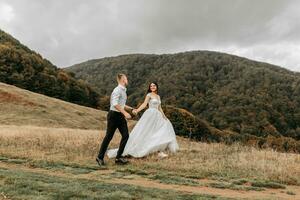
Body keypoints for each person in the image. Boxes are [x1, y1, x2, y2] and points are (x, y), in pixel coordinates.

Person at [107, 82, 179, 158]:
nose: (152, 87)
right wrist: (137, 110)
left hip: (158, 115)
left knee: (159, 131)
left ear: (157, 87)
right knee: (147, 131)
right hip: (150, 114)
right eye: (151, 86)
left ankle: (158, 150)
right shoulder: (149, 95)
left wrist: (164, 116)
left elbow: (159, 107)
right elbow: (144, 104)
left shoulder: (158, 96)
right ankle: (144, 149)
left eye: (154, 85)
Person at [96, 73, 133, 165]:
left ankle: (118, 158)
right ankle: (99, 157)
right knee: (109, 136)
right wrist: (125, 113)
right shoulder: (117, 90)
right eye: (126, 78)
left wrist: (131, 109)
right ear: (122, 80)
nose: (127, 79)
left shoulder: (123, 91)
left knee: (125, 135)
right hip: (113, 116)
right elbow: (115, 104)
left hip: (120, 116)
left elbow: (122, 105)